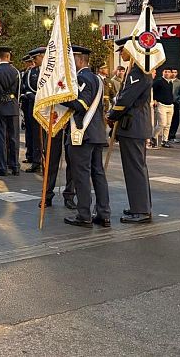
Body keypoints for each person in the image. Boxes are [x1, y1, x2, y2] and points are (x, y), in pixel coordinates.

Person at [62, 46, 110, 228]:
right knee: (98, 173)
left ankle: (84, 214)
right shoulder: (96, 78)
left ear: (79, 59)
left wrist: (59, 98)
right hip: (96, 132)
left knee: (81, 175)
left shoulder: (82, 77)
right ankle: (103, 213)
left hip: (83, 133)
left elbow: (82, 104)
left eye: (71, 59)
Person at [107, 38, 153, 224]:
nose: (120, 54)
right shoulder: (136, 70)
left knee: (135, 169)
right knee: (138, 168)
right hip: (134, 125)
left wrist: (112, 115)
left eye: (122, 50)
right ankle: (140, 206)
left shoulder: (138, 71)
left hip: (133, 125)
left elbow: (126, 99)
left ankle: (140, 210)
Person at [0, 46, 21, 176]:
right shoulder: (15, 72)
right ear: (8, 56)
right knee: (14, 137)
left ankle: (2, 167)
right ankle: (15, 166)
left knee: (1, 137)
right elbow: (18, 91)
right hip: (13, 105)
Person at [152, 68, 175, 148]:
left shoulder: (170, 82)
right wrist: (154, 99)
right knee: (162, 123)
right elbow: (152, 90)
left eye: (169, 72)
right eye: (165, 72)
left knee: (168, 125)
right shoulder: (158, 81)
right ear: (163, 72)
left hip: (170, 105)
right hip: (161, 104)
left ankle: (165, 140)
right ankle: (153, 137)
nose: (167, 73)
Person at [169, 69, 180, 142]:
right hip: (166, 102)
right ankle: (166, 135)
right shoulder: (166, 80)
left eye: (175, 72)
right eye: (172, 72)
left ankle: (172, 135)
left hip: (175, 103)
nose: (173, 74)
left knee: (175, 120)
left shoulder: (179, 82)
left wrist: (178, 101)